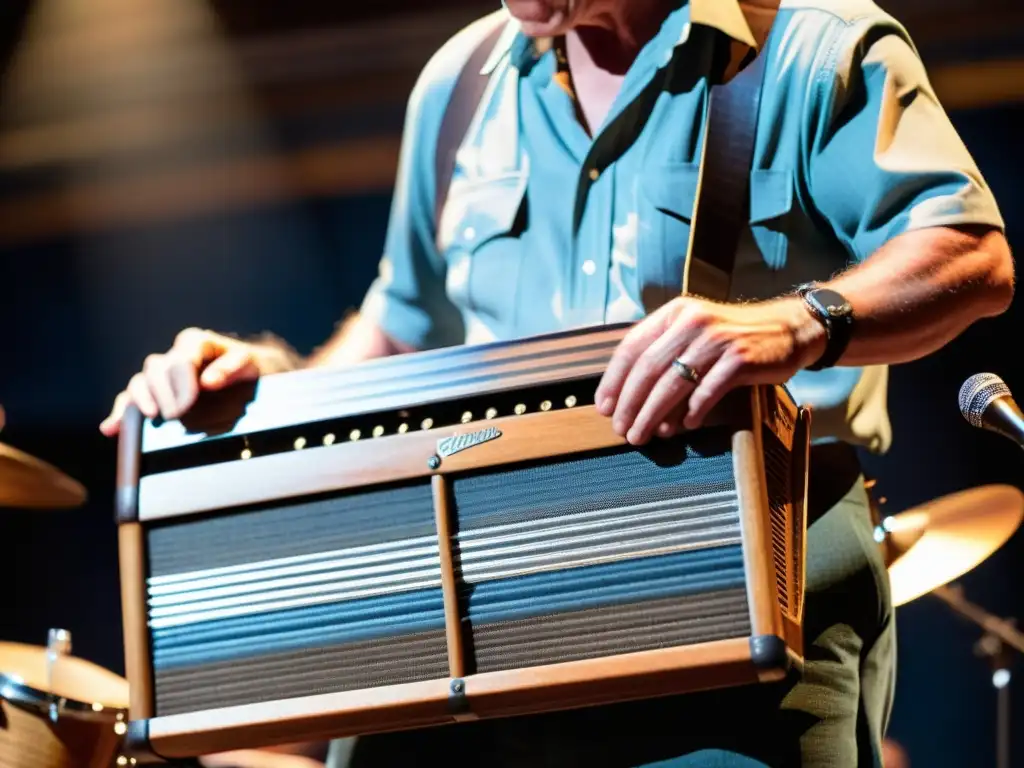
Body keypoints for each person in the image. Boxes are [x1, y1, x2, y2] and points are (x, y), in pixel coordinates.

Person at [101, 0, 1014, 765]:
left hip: (750, 578)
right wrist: (261, 393)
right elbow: (401, 329)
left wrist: (792, 322)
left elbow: (971, 253)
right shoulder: (462, 84)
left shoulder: (815, 47)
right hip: (483, 603)